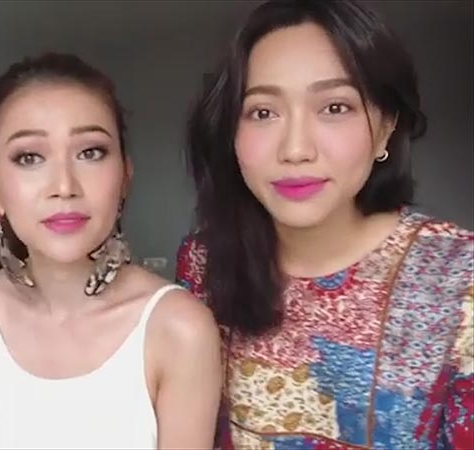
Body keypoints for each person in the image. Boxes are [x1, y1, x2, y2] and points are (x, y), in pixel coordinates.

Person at [176, 1, 473, 448]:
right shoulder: (203, 264)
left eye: (335, 107)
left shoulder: (458, 276)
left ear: (385, 128)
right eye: (262, 112)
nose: (296, 149)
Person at [0, 53, 222, 449]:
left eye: (90, 152)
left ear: (124, 177)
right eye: (29, 157)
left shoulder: (179, 327)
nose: (64, 186)